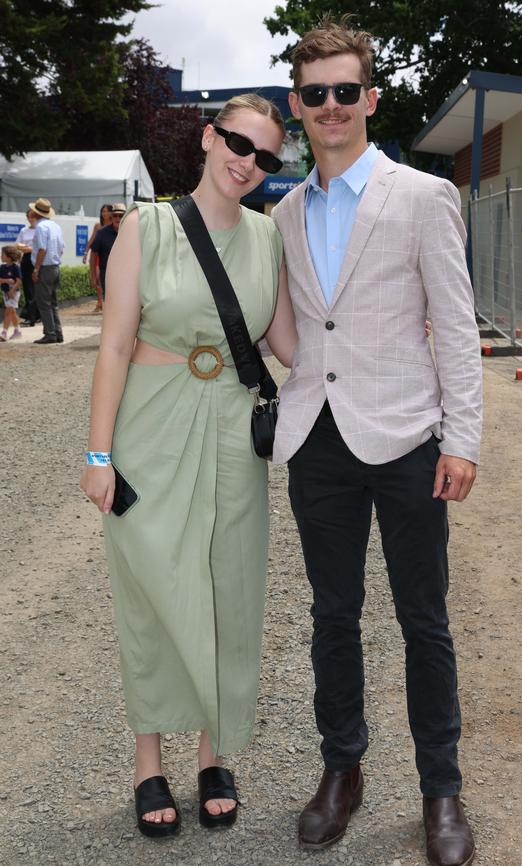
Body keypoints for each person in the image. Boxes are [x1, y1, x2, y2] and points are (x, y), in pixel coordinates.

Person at [271, 18, 482, 866]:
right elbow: (292, 326)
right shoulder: (283, 211)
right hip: (317, 442)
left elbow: (456, 327)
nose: (331, 106)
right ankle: (342, 771)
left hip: (405, 440)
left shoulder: (424, 197)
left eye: (345, 91)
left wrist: (461, 438)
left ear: (370, 98)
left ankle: (442, 788)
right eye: (315, 93)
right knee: (333, 616)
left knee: (423, 619)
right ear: (298, 105)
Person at [79, 93, 297, 839]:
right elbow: (112, 345)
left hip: (236, 432)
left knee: (230, 591)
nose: (249, 163)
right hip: (152, 425)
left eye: (267, 157)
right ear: (210, 137)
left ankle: (213, 754)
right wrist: (98, 453)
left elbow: (290, 344)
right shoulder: (149, 226)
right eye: (239, 143)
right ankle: (148, 761)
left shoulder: (269, 238)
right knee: (151, 593)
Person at [29, 197, 65, 345]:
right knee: (53, 303)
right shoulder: (55, 226)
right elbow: (62, 248)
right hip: (55, 266)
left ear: (36, 213)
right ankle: (57, 332)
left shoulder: (40, 227)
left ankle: (50, 333)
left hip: (45, 267)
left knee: (43, 303)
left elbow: (42, 249)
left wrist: (36, 269)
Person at [89, 203, 124, 303]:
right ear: (111, 217)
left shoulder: (131, 232)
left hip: (127, 275)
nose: (118, 218)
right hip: (107, 275)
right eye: (115, 215)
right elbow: (93, 254)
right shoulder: (102, 233)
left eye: (121, 216)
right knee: (111, 303)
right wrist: (93, 276)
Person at [83, 204, 113, 311]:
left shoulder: (115, 225)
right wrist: (86, 253)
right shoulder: (98, 226)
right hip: (98, 256)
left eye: (106, 211)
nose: (104, 213)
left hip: (109, 256)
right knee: (98, 278)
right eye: (103, 211)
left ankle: (104, 303)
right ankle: (100, 302)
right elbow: (91, 240)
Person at [15, 210, 40, 327]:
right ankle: (32, 316)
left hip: (37, 259)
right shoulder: (24, 230)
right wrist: (27, 247)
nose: (30, 219)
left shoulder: (40, 230)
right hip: (26, 260)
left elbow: (40, 247)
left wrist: (29, 248)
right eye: (28, 217)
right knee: (28, 288)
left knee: (37, 288)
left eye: (33, 217)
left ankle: (34, 316)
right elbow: (18, 244)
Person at [0, 245, 23, 341]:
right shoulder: (2, 267)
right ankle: (17, 331)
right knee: (12, 312)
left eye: (2, 255)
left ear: (9, 257)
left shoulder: (15, 268)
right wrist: (7, 281)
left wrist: (12, 290)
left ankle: (4, 333)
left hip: (14, 293)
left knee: (8, 311)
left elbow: (19, 281)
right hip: (5, 293)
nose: (1, 256)